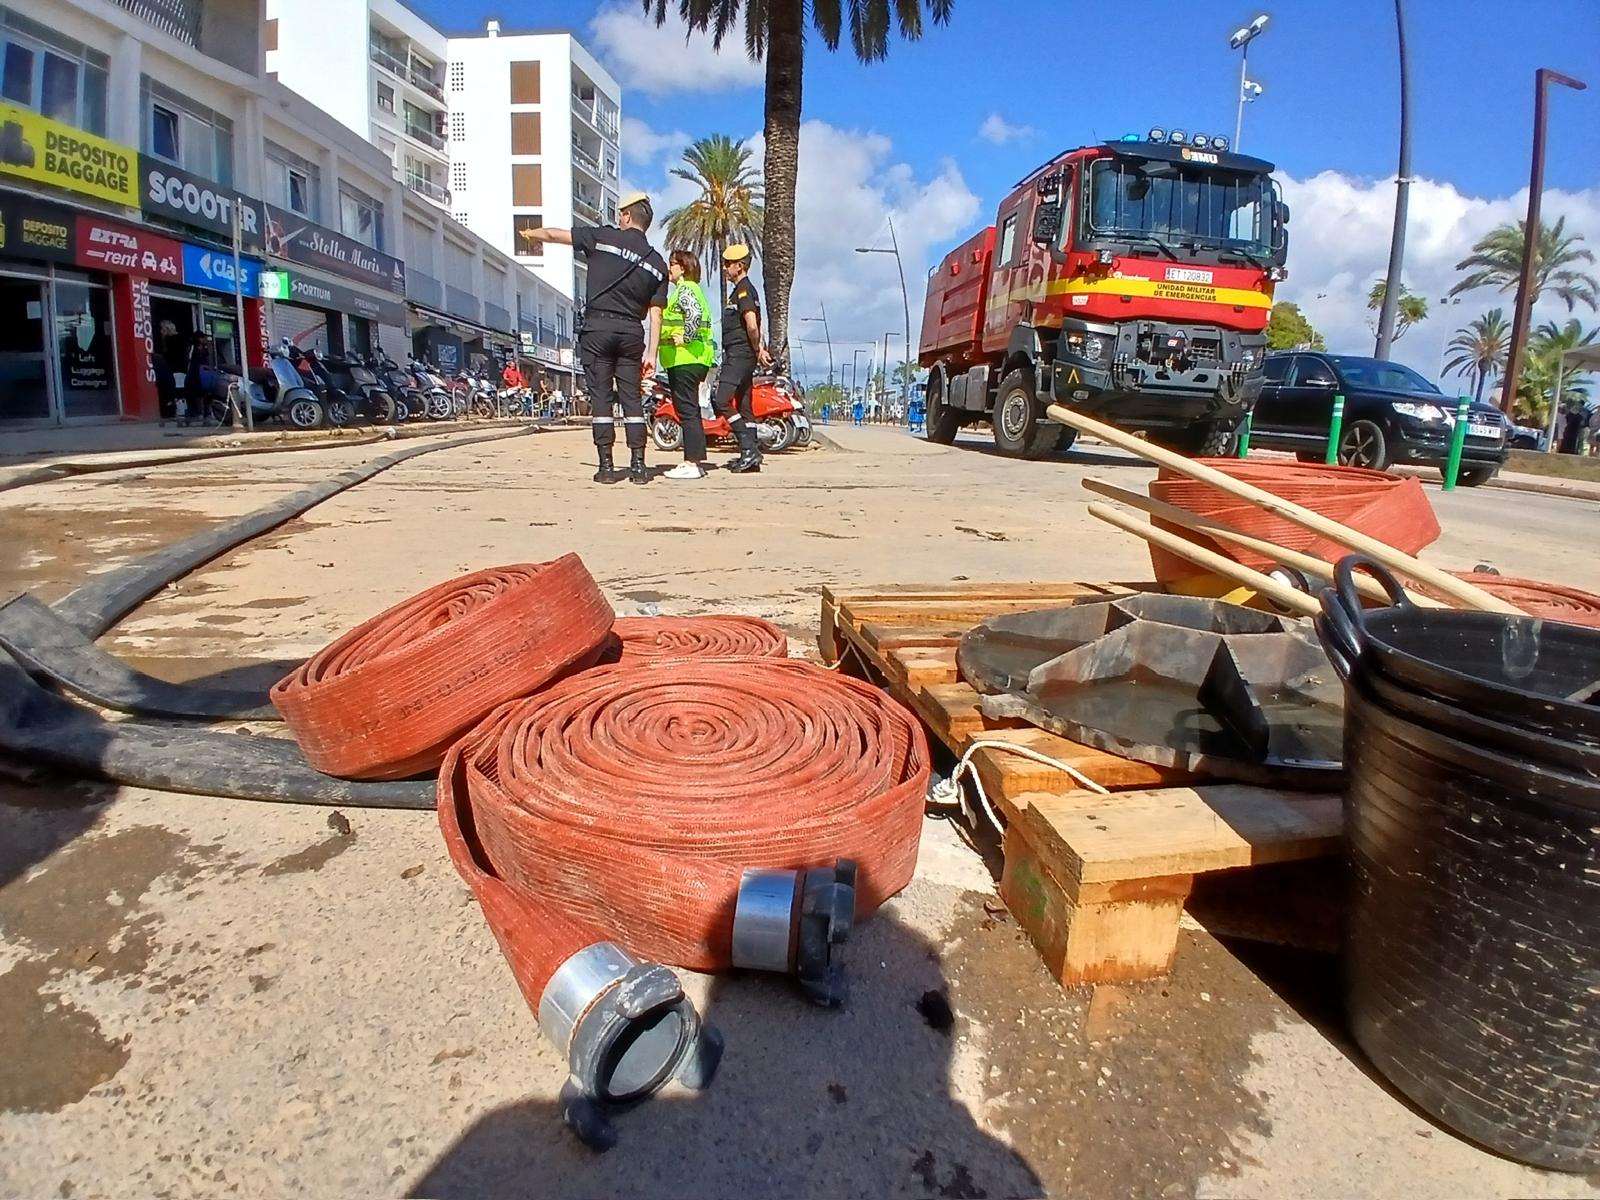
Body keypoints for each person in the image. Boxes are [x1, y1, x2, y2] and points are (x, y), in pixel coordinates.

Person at [520, 192, 668, 484]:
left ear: (627, 216)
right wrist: (652, 354)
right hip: (631, 333)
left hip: (598, 328)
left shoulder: (603, 238)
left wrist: (529, 233)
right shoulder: (657, 264)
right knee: (632, 399)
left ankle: (607, 467)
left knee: (601, 397)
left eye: (620, 213)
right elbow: (656, 315)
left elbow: (554, 235)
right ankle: (639, 466)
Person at [712, 244, 774, 474]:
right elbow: (758, 322)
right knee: (744, 405)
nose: (725, 268)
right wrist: (760, 350)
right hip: (743, 354)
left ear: (740, 266)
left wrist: (757, 348)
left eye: (728, 264)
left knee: (721, 400)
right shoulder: (741, 290)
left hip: (739, 354)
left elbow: (752, 325)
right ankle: (750, 455)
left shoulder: (744, 290)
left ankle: (749, 448)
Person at [658, 249, 716, 480]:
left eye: (672, 264)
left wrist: (686, 337)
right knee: (690, 409)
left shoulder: (686, 290)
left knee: (687, 410)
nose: (669, 268)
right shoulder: (691, 290)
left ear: (682, 268)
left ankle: (692, 462)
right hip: (692, 358)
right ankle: (694, 460)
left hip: (686, 358)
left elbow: (693, 313)